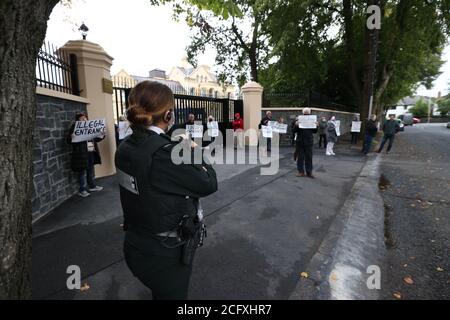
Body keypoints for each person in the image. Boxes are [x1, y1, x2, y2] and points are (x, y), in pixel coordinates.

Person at [115, 81, 218, 300]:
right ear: (169, 114)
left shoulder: (125, 146)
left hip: (136, 242)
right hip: (164, 254)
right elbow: (209, 182)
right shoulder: (165, 154)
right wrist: (195, 151)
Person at [67, 112, 105, 197]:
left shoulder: (90, 127)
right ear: (78, 120)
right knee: (81, 172)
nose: (84, 119)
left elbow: (95, 139)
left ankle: (91, 185)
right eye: (82, 118)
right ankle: (82, 189)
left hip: (90, 150)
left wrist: (101, 135)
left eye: (85, 118)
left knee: (90, 169)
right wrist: (71, 137)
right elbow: (68, 141)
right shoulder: (74, 128)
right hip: (81, 153)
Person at [293, 108, 318, 178]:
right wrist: (296, 125)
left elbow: (315, 131)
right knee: (300, 158)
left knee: (309, 158)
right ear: (303, 113)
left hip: (309, 142)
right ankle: (300, 172)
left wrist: (316, 125)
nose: (306, 114)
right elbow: (294, 131)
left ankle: (309, 172)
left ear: (309, 113)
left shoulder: (312, 120)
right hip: (300, 142)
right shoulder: (298, 120)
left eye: (308, 113)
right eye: (305, 113)